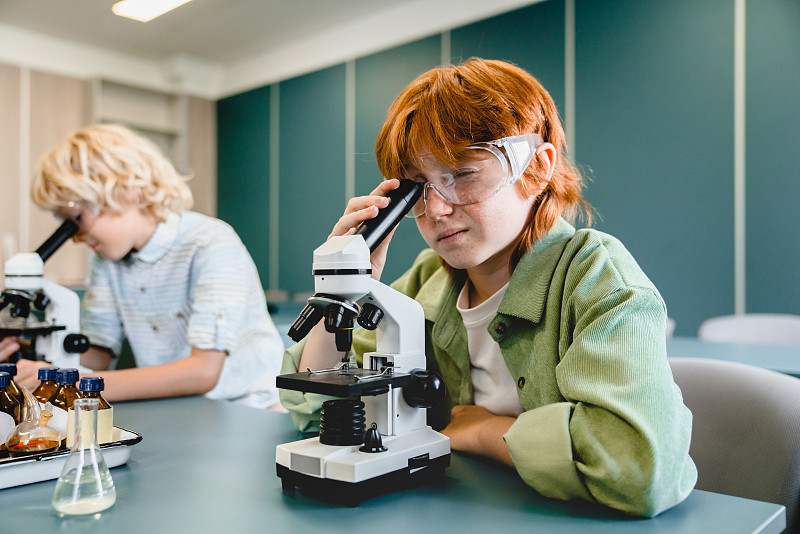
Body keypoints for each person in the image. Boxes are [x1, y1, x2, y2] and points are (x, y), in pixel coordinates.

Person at [280, 59, 697, 515]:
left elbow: (637, 469)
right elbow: (316, 414)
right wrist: (347, 283)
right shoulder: (426, 281)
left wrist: (482, 430)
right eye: (418, 188)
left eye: (461, 174)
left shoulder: (596, 277)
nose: (436, 209)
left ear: (536, 170)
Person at [0, 124, 283, 409]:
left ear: (126, 190)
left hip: (250, 407)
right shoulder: (106, 260)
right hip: (179, 408)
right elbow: (99, 356)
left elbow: (204, 372)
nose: (75, 237)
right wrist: (30, 359)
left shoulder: (209, 243)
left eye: (77, 218)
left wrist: (66, 381)